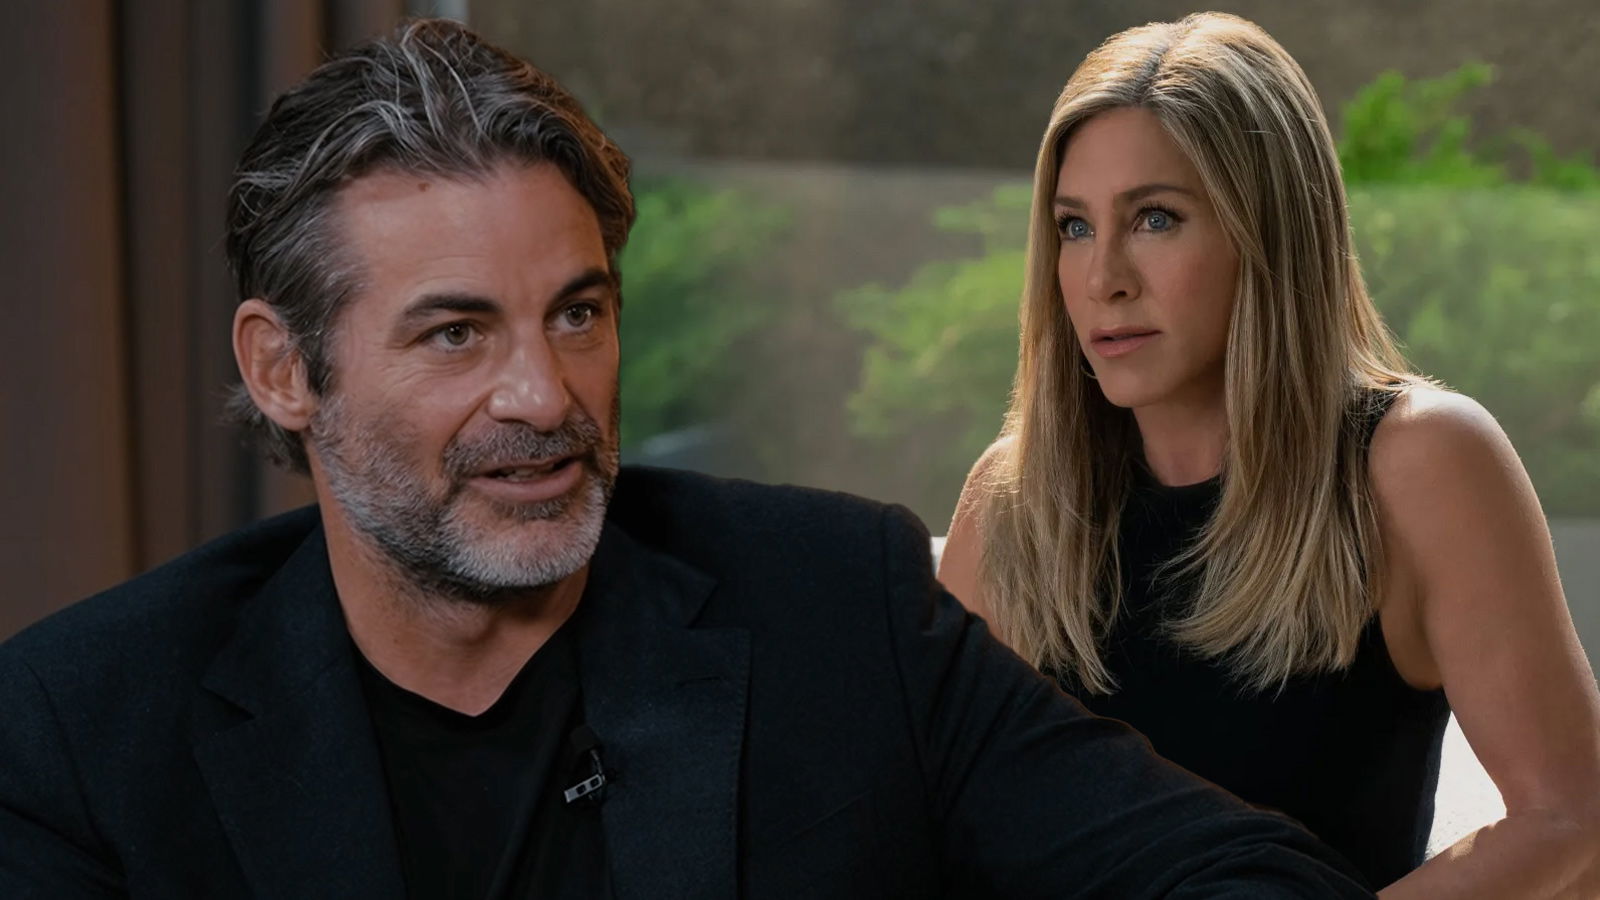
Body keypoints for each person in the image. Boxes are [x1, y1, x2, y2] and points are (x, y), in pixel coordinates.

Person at [0, 17, 1379, 900]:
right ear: (283, 369)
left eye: (578, 314)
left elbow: (1244, 876)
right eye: (456, 334)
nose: (544, 396)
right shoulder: (78, 734)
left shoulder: (833, 603)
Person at [938, 12, 1600, 899]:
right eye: (1075, 227)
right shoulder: (1013, 504)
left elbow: (1572, 820)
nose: (1103, 280)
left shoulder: (1417, 464)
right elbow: (911, 831)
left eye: (1156, 219)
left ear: (1270, 231)